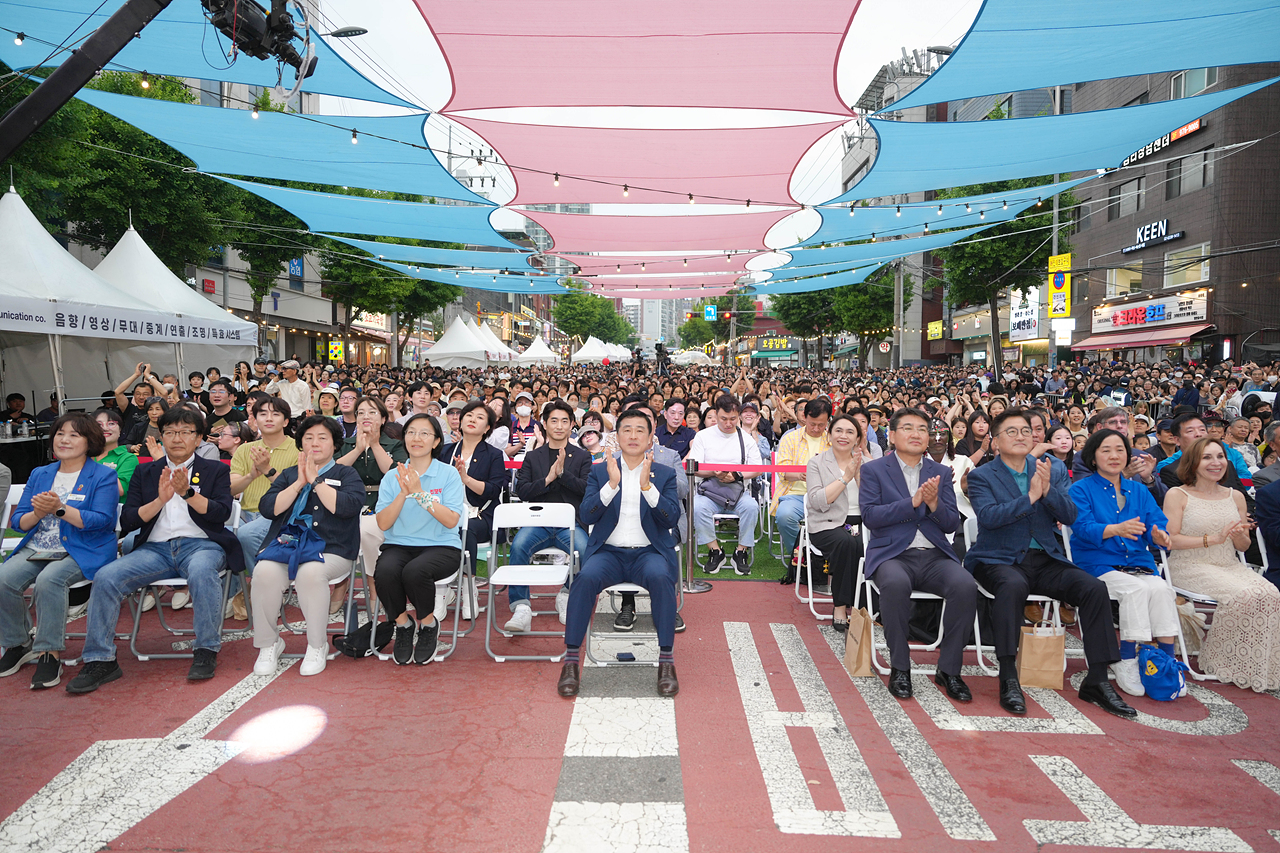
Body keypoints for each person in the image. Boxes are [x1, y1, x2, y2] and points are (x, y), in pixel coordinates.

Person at [965, 408, 1134, 718]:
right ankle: (1008, 673)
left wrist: (1046, 493)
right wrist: (1029, 497)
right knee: (1011, 585)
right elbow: (988, 519)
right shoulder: (981, 476)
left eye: (1026, 432)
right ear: (996, 441)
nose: (1020, 437)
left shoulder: (1046, 468)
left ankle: (1097, 678)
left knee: (1093, 588)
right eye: (1011, 432)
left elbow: (1069, 516)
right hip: (997, 558)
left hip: (1043, 557)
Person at [66, 406, 243, 693]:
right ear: (161, 437)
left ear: (198, 438)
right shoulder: (145, 471)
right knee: (107, 577)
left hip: (202, 545)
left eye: (186, 432)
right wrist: (160, 501)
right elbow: (129, 520)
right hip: (155, 549)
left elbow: (221, 513)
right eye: (170, 432)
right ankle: (100, 660)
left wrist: (188, 494)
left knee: (201, 572)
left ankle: (205, 650)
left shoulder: (215, 470)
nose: (177, 438)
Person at [556, 409, 682, 698]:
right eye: (627, 429)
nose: (634, 435)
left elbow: (671, 518)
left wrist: (648, 487)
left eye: (641, 430)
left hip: (648, 553)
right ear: (617, 436)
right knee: (584, 578)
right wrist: (611, 485)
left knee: (662, 578)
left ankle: (666, 661)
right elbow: (586, 514)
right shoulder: (600, 471)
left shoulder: (664, 474)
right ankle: (572, 661)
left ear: (651, 437)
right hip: (608, 553)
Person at [859, 407, 976, 703]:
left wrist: (934, 504)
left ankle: (949, 669)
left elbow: (950, 522)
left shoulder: (939, 472)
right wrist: (912, 503)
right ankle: (900, 666)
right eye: (908, 428)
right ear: (893, 434)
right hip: (892, 555)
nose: (916, 434)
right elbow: (870, 517)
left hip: (934, 554)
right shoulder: (874, 470)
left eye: (922, 429)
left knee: (965, 586)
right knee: (896, 585)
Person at [0, 414, 119, 690]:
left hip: (82, 549)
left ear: (90, 441)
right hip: (39, 547)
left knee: (49, 580)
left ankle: (48, 653)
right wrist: (38, 513)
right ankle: (18, 643)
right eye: (60, 433)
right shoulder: (40, 473)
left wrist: (60, 510)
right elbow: (19, 522)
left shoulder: (103, 474)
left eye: (74, 435)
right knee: (4, 578)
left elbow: (103, 521)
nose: (64, 440)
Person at [1068, 430, 1181, 697]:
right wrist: (1116, 529)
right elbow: (1083, 528)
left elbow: (1157, 523)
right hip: (1098, 564)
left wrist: (1159, 534)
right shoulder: (1080, 489)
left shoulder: (1139, 490)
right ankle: (1126, 660)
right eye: (1105, 450)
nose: (1114, 455)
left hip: (1138, 563)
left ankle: (1166, 662)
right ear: (1093, 457)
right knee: (1135, 590)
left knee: (1162, 590)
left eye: (1120, 449)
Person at [250, 417, 364, 677]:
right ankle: (269, 644)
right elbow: (269, 509)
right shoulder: (290, 473)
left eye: (323, 438)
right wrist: (299, 482)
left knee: (310, 574)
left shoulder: (346, 474)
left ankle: (316, 644)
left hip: (331, 548)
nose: (315, 443)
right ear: (300, 443)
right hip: (286, 546)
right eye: (308, 437)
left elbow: (345, 508)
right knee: (264, 572)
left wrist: (316, 481)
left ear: (335, 444)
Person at [1164, 438, 1280, 691]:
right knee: (1246, 595)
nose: (1215, 463)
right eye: (1207, 457)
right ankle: (1223, 661)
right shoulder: (1177, 494)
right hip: (1189, 566)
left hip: (1229, 565)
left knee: (1271, 593)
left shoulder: (1235, 496)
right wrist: (1213, 539)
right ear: (1193, 462)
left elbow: (1242, 546)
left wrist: (1239, 534)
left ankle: (1255, 665)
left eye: (1220, 457)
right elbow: (1170, 540)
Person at [375, 414, 465, 665]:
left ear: (436, 441)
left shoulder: (448, 475)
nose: (417, 438)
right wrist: (403, 494)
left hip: (442, 546)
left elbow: (450, 520)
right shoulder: (392, 476)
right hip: (399, 544)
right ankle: (403, 624)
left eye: (425, 433)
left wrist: (419, 493)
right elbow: (383, 523)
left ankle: (427, 624)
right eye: (411, 432)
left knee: (415, 572)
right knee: (385, 571)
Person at [506, 400, 591, 633]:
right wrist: (547, 480)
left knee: (586, 551)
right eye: (554, 420)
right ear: (544, 423)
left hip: (570, 525)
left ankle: (566, 593)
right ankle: (521, 606)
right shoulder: (533, 457)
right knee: (519, 546)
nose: (559, 426)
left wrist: (562, 474)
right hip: (538, 523)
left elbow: (586, 489)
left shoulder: (582, 456)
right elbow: (522, 490)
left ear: (572, 424)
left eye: (565, 421)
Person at [805, 414, 870, 630]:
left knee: (861, 542)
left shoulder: (868, 464)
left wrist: (859, 473)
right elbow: (817, 501)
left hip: (860, 523)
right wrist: (845, 478)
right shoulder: (817, 463)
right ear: (830, 434)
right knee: (847, 542)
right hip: (827, 523)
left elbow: (873, 501)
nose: (843, 436)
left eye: (850, 432)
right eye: (839, 431)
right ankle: (841, 605)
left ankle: (868, 603)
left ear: (858, 438)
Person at [687, 395, 762, 576]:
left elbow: (758, 468)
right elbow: (693, 467)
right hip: (709, 490)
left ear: (739, 417)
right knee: (697, 507)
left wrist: (737, 475)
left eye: (733, 419)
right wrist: (714, 472)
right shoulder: (703, 436)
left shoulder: (746, 439)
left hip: (737, 491)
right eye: (723, 419)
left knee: (751, 507)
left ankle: (741, 551)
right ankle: (715, 550)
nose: (728, 423)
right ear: (715, 415)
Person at [230, 398, 300, 578]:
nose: (268, 418)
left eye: (275, 414)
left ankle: (261, 584)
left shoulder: (298, 450)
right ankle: (236, 590)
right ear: (254, 420)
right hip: (245, 514)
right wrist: (251, 475)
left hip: (279, 516)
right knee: (217, 539)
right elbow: (230, 489)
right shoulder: (245, 450)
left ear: (285, 421)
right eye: (263, 414)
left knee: (246, 535)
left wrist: (268, 471)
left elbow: (296, 491)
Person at [440, 401, 507, 574]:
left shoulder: (494, 454)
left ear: (487, 428)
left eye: (480, 417)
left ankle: (468, 585)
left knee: (466, 528)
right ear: (461, 422)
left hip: (480, 514)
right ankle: (441, 585)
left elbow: (493, 490)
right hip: (447, 512)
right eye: (469, 415)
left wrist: (465, 479)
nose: (473, 420)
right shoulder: (445, 451)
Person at [773, 399, 832, 580]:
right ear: (804, 417)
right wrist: (800, 475)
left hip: (826, 495)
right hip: (795, 494)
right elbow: (782, 470)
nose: (815, 429)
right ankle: (801, 556)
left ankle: (820, 560)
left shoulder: (833, 439)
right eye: (812, 424)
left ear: (828, 421)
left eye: (821, 425)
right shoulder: (790, 438)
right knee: (784, 516)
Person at [92, 408, 138, 502]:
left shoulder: (128, 458)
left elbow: (119, 490)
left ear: (120, 430)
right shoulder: (83, 456)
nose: (105, 428)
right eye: (98, 425)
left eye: (111, 423)